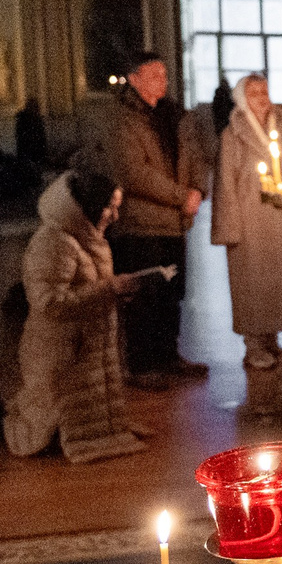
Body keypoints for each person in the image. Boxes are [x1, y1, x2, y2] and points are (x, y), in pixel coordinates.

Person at [0, 168, 154, 463]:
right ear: (91, 206)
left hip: (81, 345)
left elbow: (88, 289)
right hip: (60, 349)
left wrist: (117, 292)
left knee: (76, 417)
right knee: (40, 430)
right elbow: (49, 303)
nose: (114, 216)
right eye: (110, 207)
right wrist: (109, 288)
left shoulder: (86, 237)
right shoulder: (55, 242)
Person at [95, 51, 207, 387]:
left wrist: (199, 188)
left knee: (171, 294)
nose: (164, 80)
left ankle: (168, 356)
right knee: (145, 299)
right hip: (140, 225)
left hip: (174, 224)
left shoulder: (172, 115)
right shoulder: (122, 119)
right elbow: (133, 173)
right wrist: (181, 196)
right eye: (155, 74)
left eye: (165, 74)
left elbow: (195, 155)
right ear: (134, 78)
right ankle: (142, 366)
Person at [211, 73, 282, 408]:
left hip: (279, 214)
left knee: (278, 277)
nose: (262, 98)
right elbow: (226, 182)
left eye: (264, 91)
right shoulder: (233, 132)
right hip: (249, 216)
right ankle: (254, 343)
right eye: (254, 93)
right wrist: (229, 226)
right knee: (252, 279)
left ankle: (273, 336)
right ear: (241, 98)